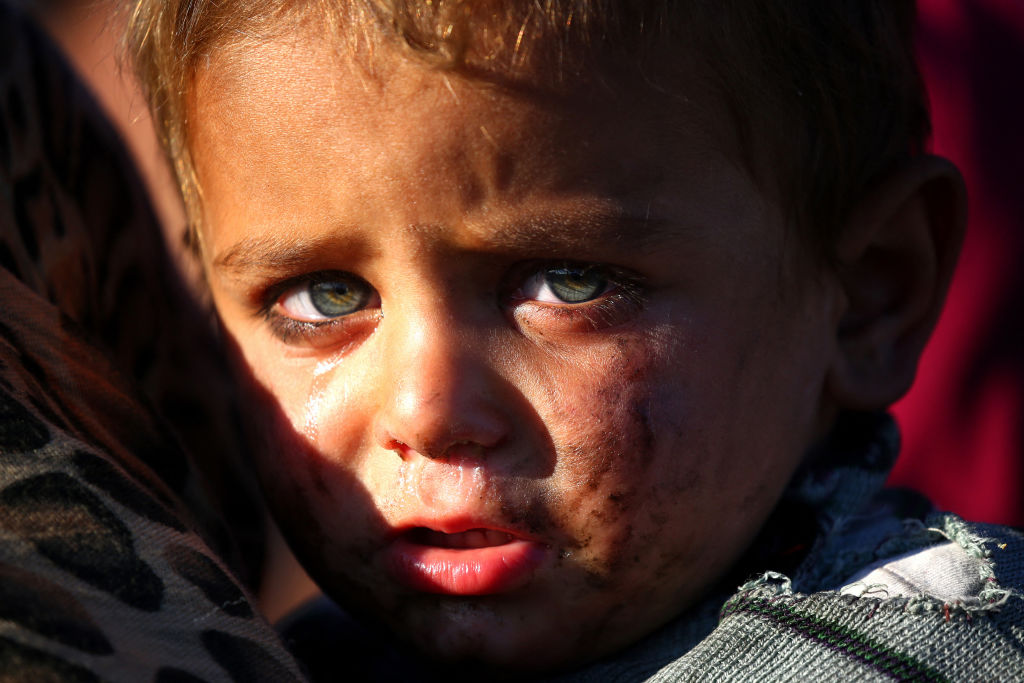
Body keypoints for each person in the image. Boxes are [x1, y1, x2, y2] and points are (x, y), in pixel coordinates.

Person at [1, 0, 1020, 680]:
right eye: (321, 296)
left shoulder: (917, 650)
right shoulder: (270, 658)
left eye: (567, 282)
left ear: (867, 295)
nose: (427, 409)